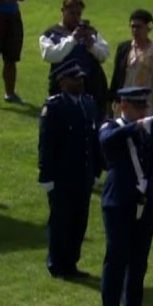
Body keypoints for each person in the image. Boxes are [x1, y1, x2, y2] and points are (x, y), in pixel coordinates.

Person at [98, 86, 153, 306]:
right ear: (123, 106)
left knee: (139, 260)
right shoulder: (110, 126)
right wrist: (138, 126)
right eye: (137, 106)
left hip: (144, 202)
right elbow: (107, 140)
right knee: (116, 259)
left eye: (144, 106)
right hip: (119, 202)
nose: (142, 111)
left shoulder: (145, 132)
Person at [38, 61, 101, 280]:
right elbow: (47, 144)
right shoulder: (54, 107)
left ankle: (71, 262)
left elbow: (93, 140)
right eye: (75, 79)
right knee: (61, 221)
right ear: (63, 82)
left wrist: (96, 169)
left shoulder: (88, 104)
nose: (80, 82)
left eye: (81, 78)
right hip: (62, 175)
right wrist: (46, 175)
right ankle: (57, 264)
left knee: (79, 221)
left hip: (83, 173)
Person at [40, 0, 110, 123]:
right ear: (63, 11)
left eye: (78, 14)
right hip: (63, 88)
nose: (76, 17)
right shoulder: (51, 34)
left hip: (92, 86)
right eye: (71, 13)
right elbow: (50, 55)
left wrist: (91, 45)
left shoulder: (91, 32)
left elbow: (104, 55)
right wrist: (73, 39)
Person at [109, 9, 153, 116]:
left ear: (148, 27)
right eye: (133, 27)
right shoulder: (124, 48)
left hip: (147, 102)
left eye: (139, 27)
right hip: (125, 101)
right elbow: (117, 76)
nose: (135, 30)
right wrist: (111, 99)